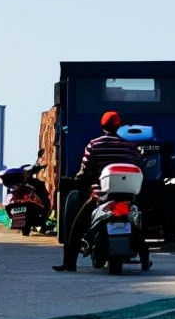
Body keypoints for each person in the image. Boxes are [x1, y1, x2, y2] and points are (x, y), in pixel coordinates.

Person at [53, 111, 145, 272]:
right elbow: (139, 166)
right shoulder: (130, 146)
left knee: (76, 227)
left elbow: (85, 171)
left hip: (100, 195)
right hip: (127, 196)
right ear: (118, 126)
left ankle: (70, 263)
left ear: (103, 126)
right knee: (138, 225)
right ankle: (145, 259)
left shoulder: (94, 145)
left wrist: (78, 179)